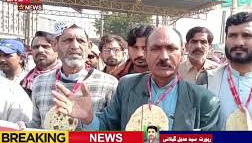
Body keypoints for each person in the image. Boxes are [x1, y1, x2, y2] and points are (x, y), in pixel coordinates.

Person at [52, 26, 221, 131]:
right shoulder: (127, 85)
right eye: (155, 49)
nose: (164, 56)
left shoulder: (205, 100)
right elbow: (108, 125)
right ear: (146, 53)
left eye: (171, 48)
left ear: (182, 51)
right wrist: (89, 118)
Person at [24, 23, 118, 129]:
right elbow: (37, 125)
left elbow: (115, 132)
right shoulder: (39, 82)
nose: (75, 46)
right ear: (55, 45)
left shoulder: (109, 84)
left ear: (89, 46)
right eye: (68, 40)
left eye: (81, 41)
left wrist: (89, 120)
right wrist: (23, 127)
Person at [21, 31, 62, 98]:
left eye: (45, 47)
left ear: (57, 51)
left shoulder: (66, 78)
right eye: (36, 47)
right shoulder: (25, 82)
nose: (40, 50)